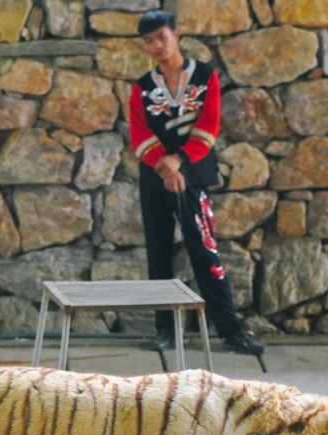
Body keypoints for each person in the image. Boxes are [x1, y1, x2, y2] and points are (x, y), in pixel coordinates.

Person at [129, 10, 265, 356]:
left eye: (162, 37)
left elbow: (209, 124)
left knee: (206, 253)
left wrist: (179, 161)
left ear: (176, 35)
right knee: (158, 254)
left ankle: (231, 332)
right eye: (149, 41)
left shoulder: (205, 76)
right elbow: (139, 133)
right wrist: (165, 166)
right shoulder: (143, 87)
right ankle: (165, 330)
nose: (157, 45)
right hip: (156, 178)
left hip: (194, 177)